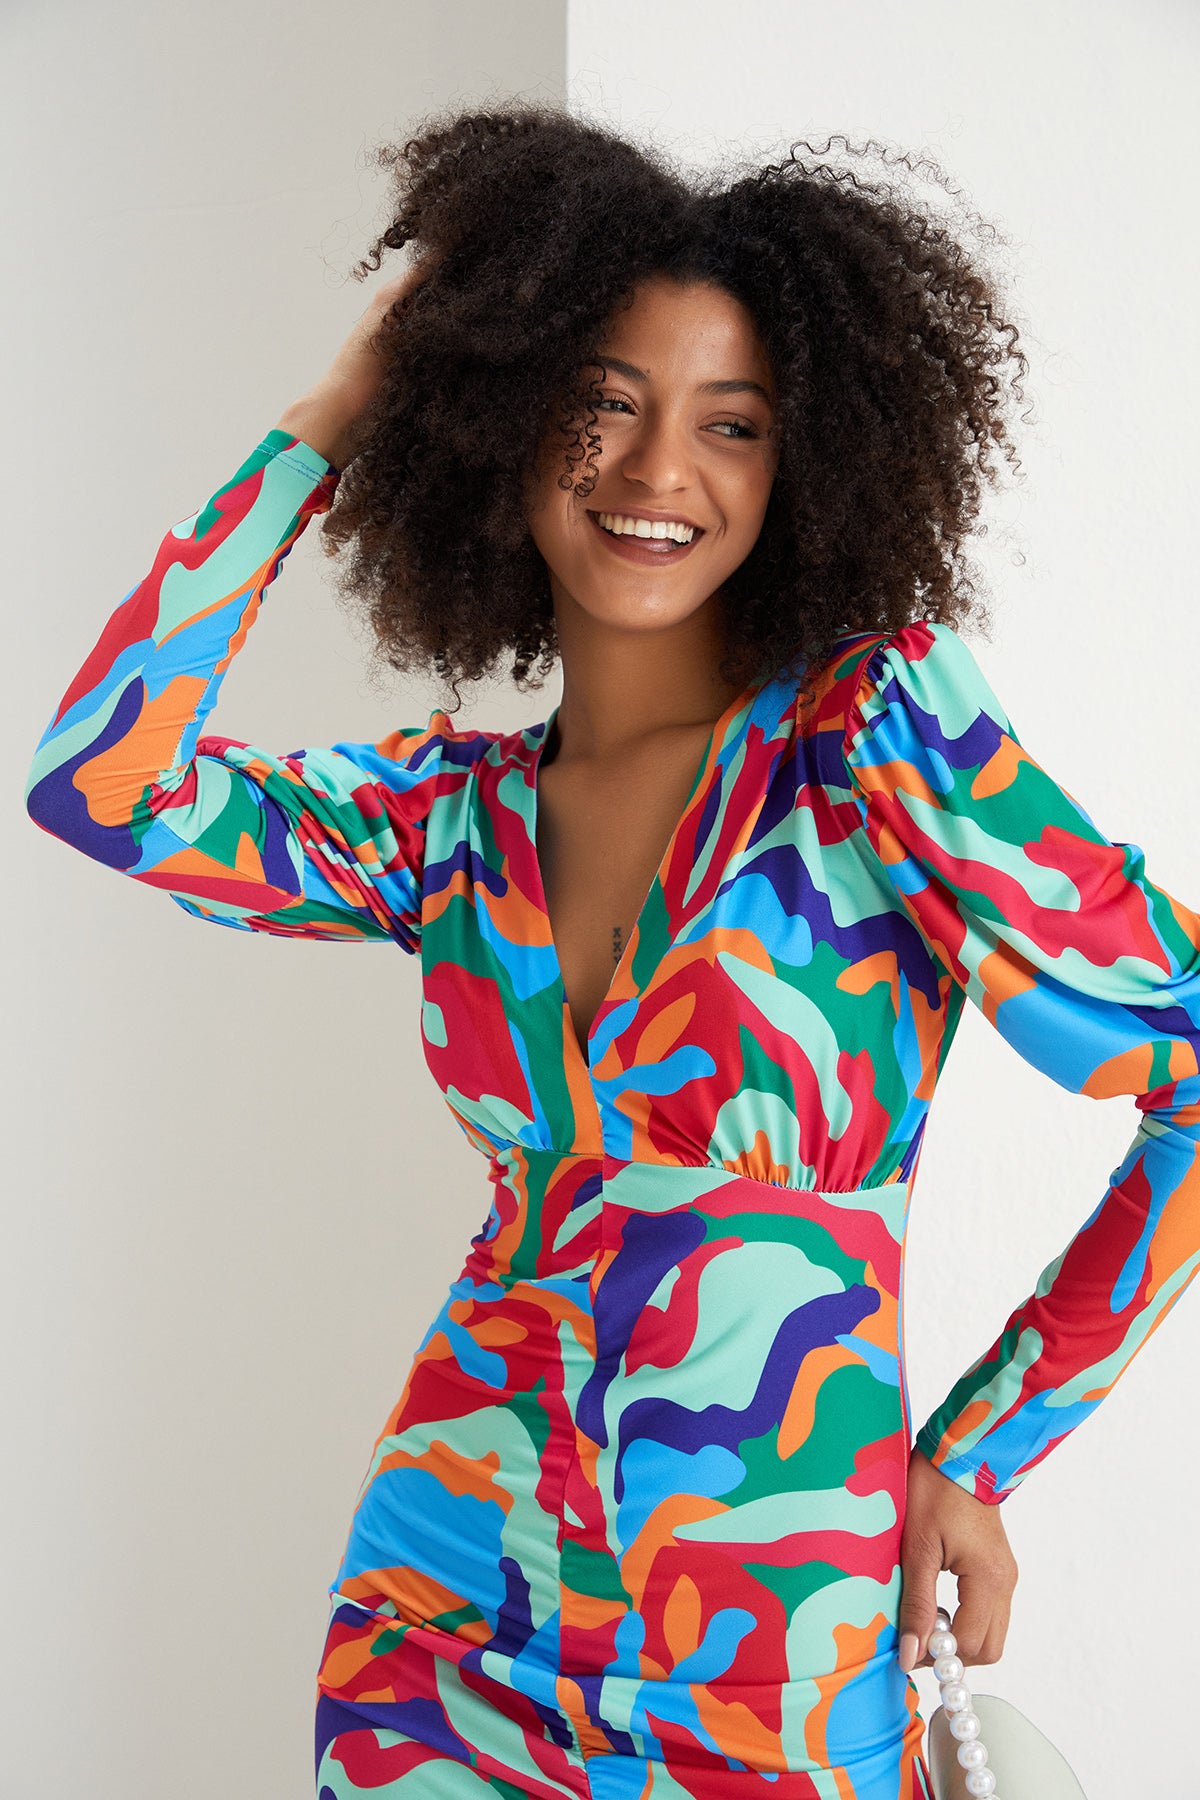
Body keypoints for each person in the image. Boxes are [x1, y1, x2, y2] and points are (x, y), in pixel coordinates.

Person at [24, 105, 1200, 1800]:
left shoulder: (871, 740)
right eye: (600, 402)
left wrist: (982, 1449)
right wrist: (335, 412)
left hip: (771, 1655)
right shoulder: (446, 819)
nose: (659, 472)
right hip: (441, 1621)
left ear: (805, 465)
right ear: (499, 419)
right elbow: (101, 785)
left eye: (734, 424)